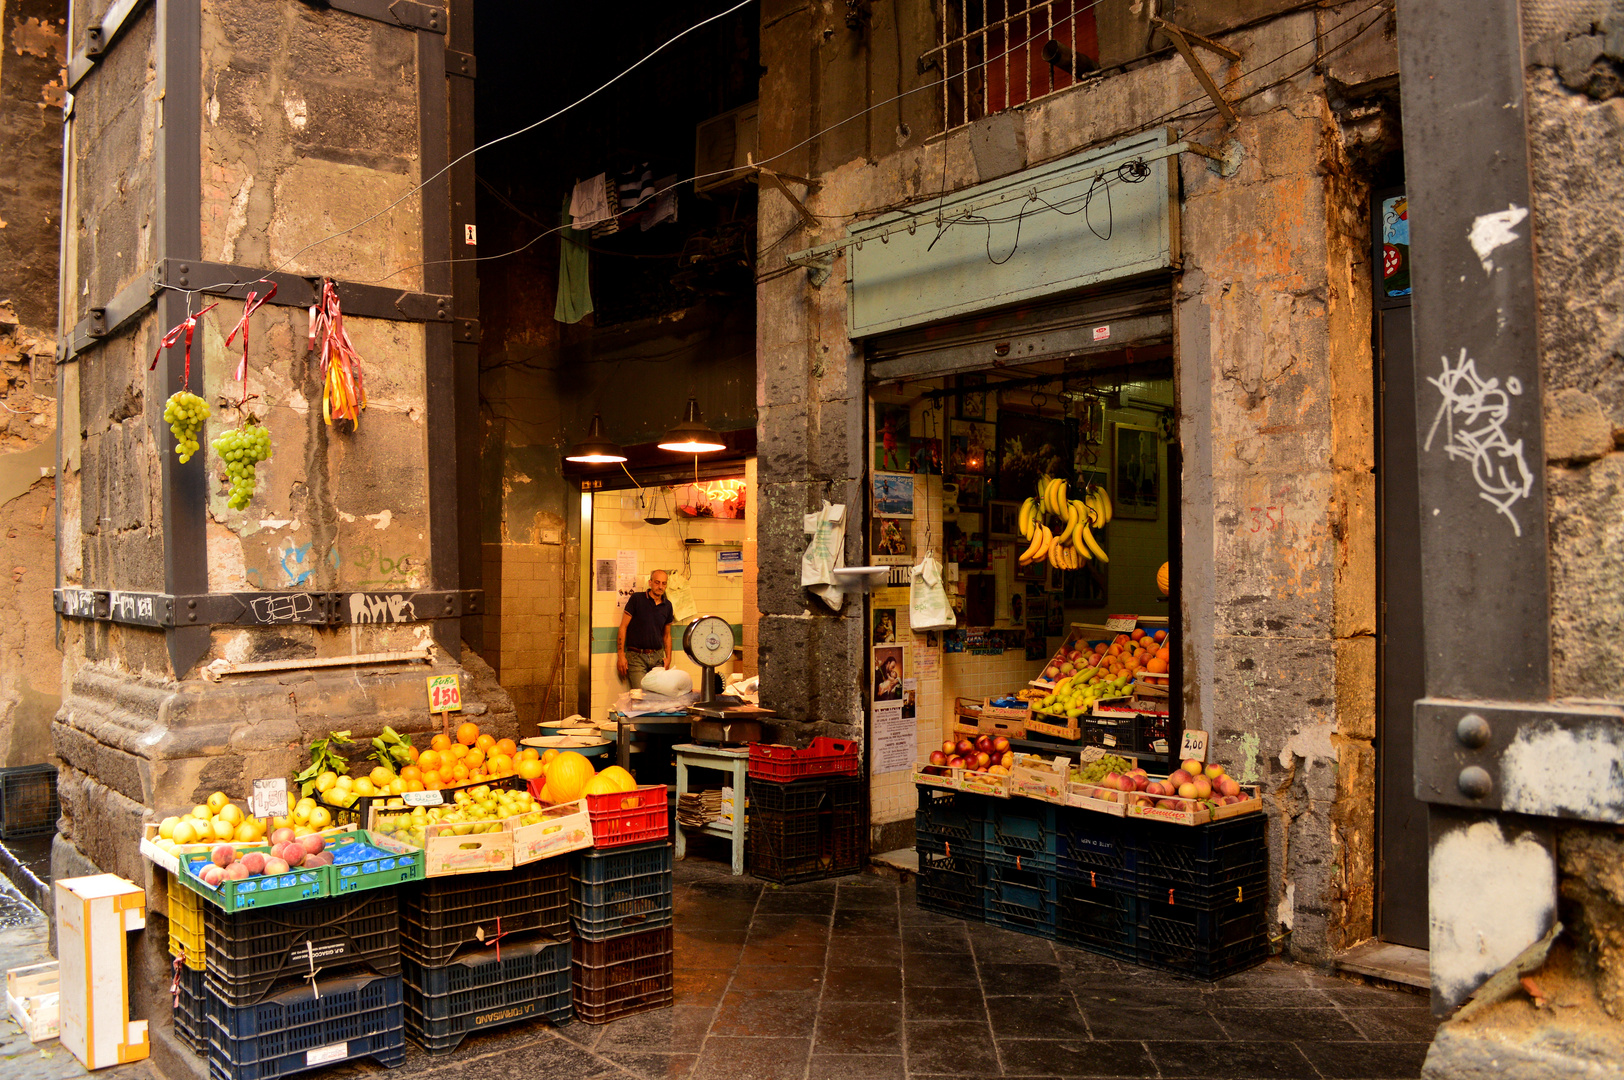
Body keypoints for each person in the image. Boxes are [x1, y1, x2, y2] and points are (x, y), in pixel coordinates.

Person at [617, 570, 674, 688]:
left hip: (658, 656)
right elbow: (623, 626)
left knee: (658, 695)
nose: (660, 586)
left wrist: (668, 658)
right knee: (640, 696)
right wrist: (621, 655)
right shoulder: (637, 599)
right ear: (650, 582)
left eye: (664, 583)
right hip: (637, 657)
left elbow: (667, 635)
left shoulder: (667, 605)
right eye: (657, 582)